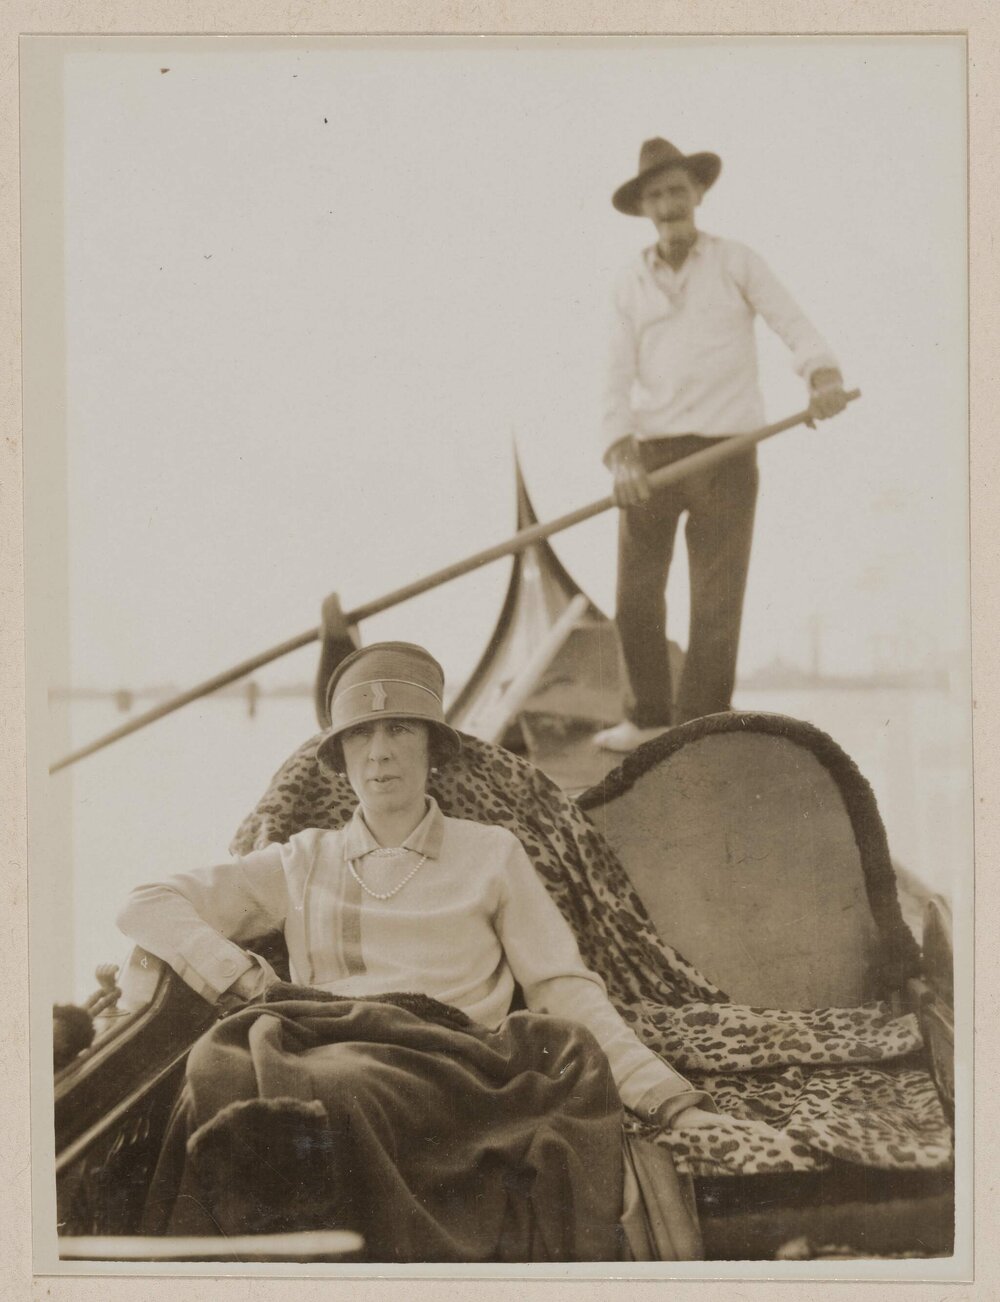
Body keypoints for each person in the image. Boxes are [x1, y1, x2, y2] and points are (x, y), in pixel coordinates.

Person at [117, 641, 717, 1261]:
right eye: (360, 736)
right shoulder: (303, 859)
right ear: (341, 758)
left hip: (457, 1069)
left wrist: (668, 1101)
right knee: (215, 1071)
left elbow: (564, 989)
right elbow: (147, 902)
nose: (379, 754)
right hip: (326, 1044)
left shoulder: (491, 852)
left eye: (399, 730)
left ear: (433, 748)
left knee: (332, 1089)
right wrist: (238, 975)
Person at [593, 138, 848, 752]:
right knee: (634, 594)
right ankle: (648, 717)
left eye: (678, 190)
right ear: (645, 208)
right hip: (651, 456)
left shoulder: (737, 261)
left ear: (698, 195)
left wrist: (821, 374)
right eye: (656, 195)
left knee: (715, 597)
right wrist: (619, 451)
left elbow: (791, 320)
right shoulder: (628, 281)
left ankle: (699, 728)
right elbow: (613, 373)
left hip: (728, 451)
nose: (669, 203)